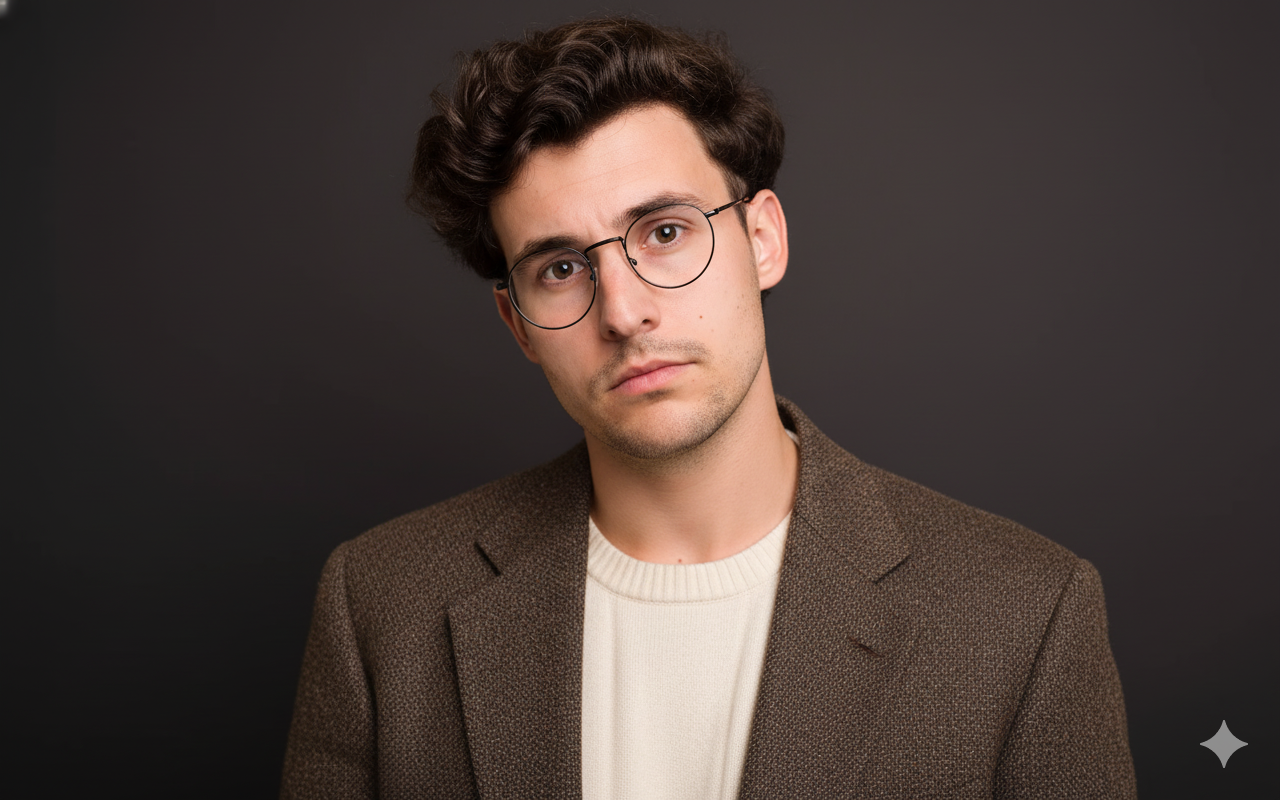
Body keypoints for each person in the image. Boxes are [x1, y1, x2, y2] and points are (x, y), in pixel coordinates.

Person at [281, 17, 1136, 800]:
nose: (624, 312)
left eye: (664, 232)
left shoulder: (1024, 616)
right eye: (560, 268)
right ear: (519, 324)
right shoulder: (380, 607)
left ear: (763, 239)